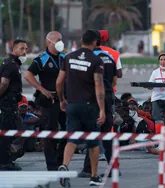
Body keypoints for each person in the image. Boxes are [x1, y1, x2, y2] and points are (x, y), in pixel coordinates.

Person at [56, 29, 105, 186]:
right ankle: (94, 176)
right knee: (94, 141)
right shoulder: (96, 60)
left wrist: (62, 99)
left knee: (72, 138)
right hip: (89, 106)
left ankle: (65, 165)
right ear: (95, 42)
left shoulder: (69, 57)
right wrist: (102, 108)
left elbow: (59, 82)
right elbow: (98, 85)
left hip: (72, 104)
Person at [78, 29, 119, 178]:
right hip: (109, 95)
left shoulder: (90, 57)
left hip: (95, 97)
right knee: (107, 133)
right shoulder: (109, 56)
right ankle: (114, 167)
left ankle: (88, 169)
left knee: (92, 132)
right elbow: (115, 79)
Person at [24, 31, 66, 171]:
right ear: (49, 42)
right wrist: (40, 89)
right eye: (57, 40)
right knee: (50, 132)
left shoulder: (64, 58)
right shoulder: (42, 58)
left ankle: (62, 161)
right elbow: (28, 74)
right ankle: (52, 165)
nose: (60, 42)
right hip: (49, 100)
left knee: (68, 131)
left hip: (64, 99)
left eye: (61, 39)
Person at [0, 39, 28, 170]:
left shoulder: (14, 64)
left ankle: (7, 158)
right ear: (14, 49)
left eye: (26, 49)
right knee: (7, 134)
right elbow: (4, 83)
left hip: (11, 105)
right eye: (22, 49)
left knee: (14, 131)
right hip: (7, 105)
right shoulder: (11, 65)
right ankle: (4, 162)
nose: (24, 52)